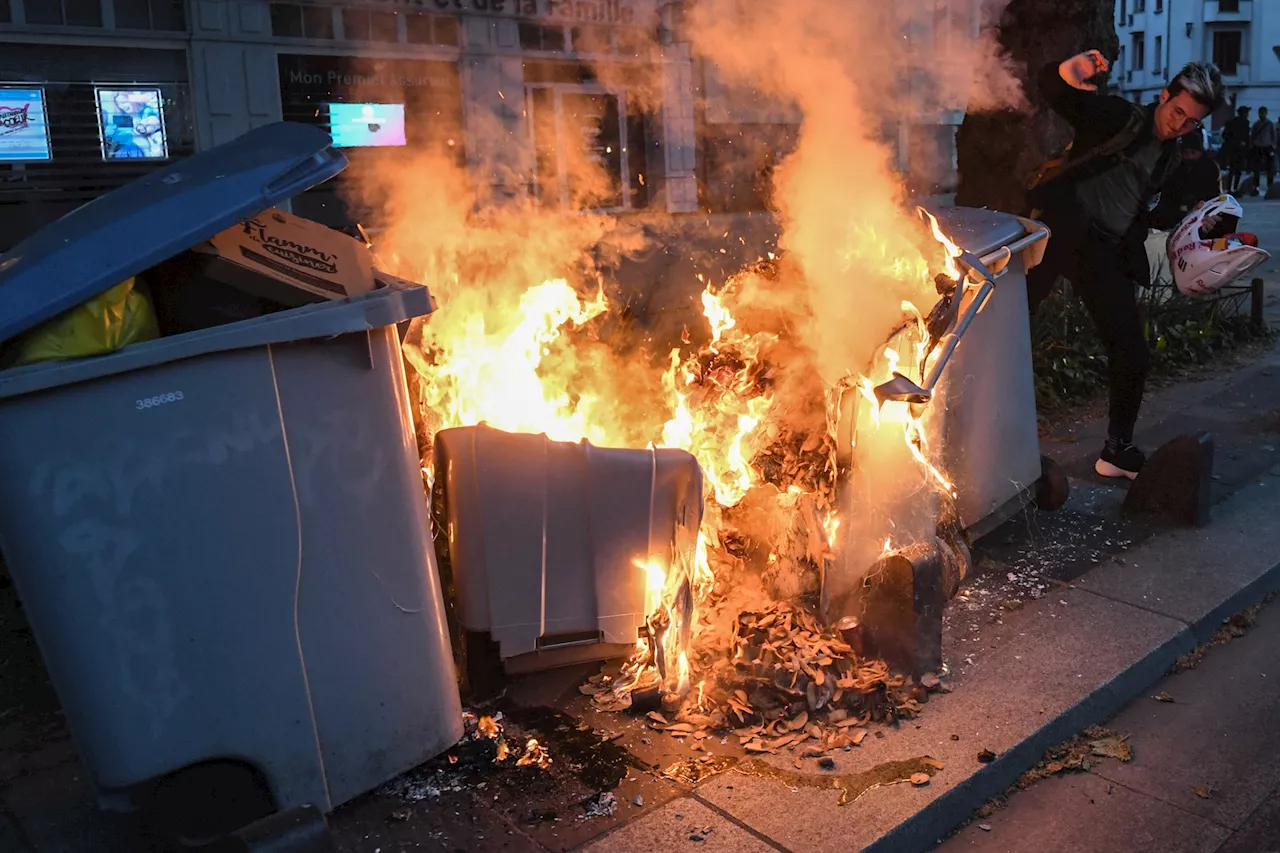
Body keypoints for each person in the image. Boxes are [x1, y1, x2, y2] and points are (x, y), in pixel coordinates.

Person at [1025, 50, 1226, 480]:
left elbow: (1153, 212)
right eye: (1177, 112)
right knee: (1008, 328)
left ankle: (1118, 450)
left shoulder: (1173, 157)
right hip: (1060, 228)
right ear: (1163, 96)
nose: (1179, 125)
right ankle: (977, 424)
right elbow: (1055, 91)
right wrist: (1070, 68)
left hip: (1102, 252)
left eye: (1191, 121)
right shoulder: (1119, 116)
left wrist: (1198, 226)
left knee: (1131, 349)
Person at [1221, 105, 1251, 192]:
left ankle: (1234, 188)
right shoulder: (1233, 123)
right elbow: (1225, 136)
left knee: (1237, 170)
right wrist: (1237, 142)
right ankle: (1232, 188)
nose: (1247, 115)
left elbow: (1246, 137)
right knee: (1234, 170)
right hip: (1234, 150)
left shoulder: (1245, 123)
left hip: (1240, 150)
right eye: (1246, 113)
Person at [1250, 106, 1276, 195]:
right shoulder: (1256, 124)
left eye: (1263, 113)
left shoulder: (1270, 124)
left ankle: (1270, 186)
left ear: (1266, 113)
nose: (1261, 115)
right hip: (1257, 147)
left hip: (1267, 147)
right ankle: (1256, 186)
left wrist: (1273, 146)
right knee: (1256, 168)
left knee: (1269, 168)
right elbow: (1252, 136)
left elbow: (1274, 136)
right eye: (1260, 113)